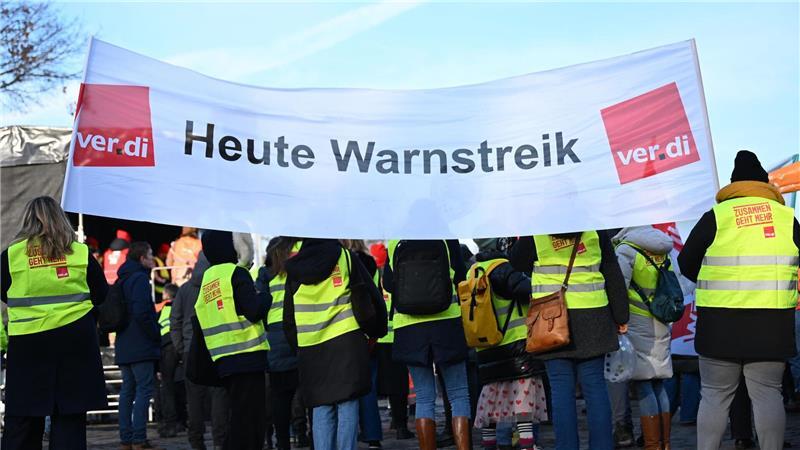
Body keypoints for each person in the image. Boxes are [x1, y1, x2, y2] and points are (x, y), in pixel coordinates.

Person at [678, 150, 800, 450]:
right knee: (768, 394)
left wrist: (711, 280)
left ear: (733, 185)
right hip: (772, 324)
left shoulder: (716, 216)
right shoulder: (786, 218)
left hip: (719, 324)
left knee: (714, 396)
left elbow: (686, 262)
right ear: (764, 184)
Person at [0, 196, 108, 450]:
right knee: (69, 417)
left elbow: (4, 292)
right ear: (61, 219)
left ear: (28, 220)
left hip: (29, 343)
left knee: (23, 418)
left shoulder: (12, 255)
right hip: (75, 341)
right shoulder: (80, 253)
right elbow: (101, 293)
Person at [510, 230, 629, 450]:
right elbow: (612, 271)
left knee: (561, 390)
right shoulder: (594, 229)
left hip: (551, 320)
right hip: (593, 316)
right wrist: (621, 316)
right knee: (595, 387)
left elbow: (516, 263)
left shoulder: (536, 231)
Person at [282, 238, 372, 450]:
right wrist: (373, 331)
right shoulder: (345, 257)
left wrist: (299, 346)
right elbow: (364, 296)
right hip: (346, 341)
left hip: (311, 347)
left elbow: (289, 317)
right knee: (347, 401)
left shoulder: (295, 268)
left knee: (321, 405)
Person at [383, 239, 471, 450]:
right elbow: (461, 276)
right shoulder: (446, 238)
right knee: (459, 394)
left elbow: (388, 284)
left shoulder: (395, 241)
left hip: (410, 327)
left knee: (423, 397)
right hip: (446, 322)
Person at [195, 230, 270, 450]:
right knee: (252, 420)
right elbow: (254, 310)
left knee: (238, 417)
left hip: (222, 358)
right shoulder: (236, 273)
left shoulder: (208, 278)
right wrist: (265, 297)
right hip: (247, 355)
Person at [471, 238, 547, 450]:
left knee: (491, 398)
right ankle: (527, 445)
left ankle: (489, 445)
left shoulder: (474, 270)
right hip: (514, 344)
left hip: (486, 345)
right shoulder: (501, 268)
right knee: (523, 398)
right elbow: (525, 288)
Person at [613, 226, 675, 449]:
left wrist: (618, 319)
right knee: (658, 382)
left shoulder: (626, 250)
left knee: (643, 385)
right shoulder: (664, 247)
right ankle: (664, 444)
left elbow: (619, 289)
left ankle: (652, 444)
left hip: (637, 321)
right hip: (661, 320)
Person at [255, 238, 311, 450]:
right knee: (305, 392)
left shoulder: (265, 274)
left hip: (275, 338)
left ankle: (283, 442)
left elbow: (259, 305)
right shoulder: (297, 270)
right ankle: (306, 435)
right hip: (297, 332)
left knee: (280, 397)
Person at [170, 252, 229, 450]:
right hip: (217, 347)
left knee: (194, 399)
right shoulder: (218, 286)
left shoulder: (184, 289)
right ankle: (220, 441)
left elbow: (175, 320)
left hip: (190, 350)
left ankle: (196, 441)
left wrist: (180, 348)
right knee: (219, 396)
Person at [116, 241, 162, 450]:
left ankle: (126, 439)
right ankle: (139, 439)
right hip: (140, 344)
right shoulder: (140, 279)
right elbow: (142, 312)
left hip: (124, 343)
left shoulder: (122, 279)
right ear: (142, 258)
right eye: (151, 255)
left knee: (127, 391)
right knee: (144, 390)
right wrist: (155, 334)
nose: (153, 259)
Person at [342, 239, 383, 450]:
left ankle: (350, 435)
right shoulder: (369, 262)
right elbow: (375, 295)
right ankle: (373, 435)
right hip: (367, 328)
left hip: (344, 330)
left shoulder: (341, 262)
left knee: (346, 390)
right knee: (369, 386)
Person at [371, 242, 414, 441]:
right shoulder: (398, 268)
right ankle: (400, 425)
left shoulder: (373, 274)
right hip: (398, 331)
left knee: (385, 382)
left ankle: (393, 422)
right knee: (399, 384)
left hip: (381, 336)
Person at [157, 283, 181, 438]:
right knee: (186, 386)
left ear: (166, 295)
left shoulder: (162, 309)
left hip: (167, 347)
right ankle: (185, 421)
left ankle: (170, 424)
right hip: (181, 344)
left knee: (167, 386)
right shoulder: (181, 307)